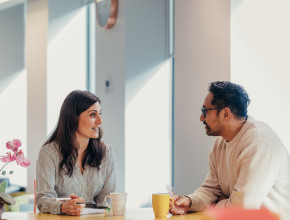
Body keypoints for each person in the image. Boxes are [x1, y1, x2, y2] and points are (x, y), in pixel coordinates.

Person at [169, 81, 290, 220]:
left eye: (205, 111)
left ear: (225, 114)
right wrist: (190, 202)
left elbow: (243, 208)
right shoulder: (220, 142)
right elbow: (212, 189)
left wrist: (216, 203)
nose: (201, 118)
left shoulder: (258, 142)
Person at [36, 90, 116, 216]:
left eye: (100, 114)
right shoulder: (49, 153)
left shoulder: (106, 152)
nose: (100, 121)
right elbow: (43, 199)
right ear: (73, 117)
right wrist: (63, 207)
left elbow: (106, 201)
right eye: (92, 115)